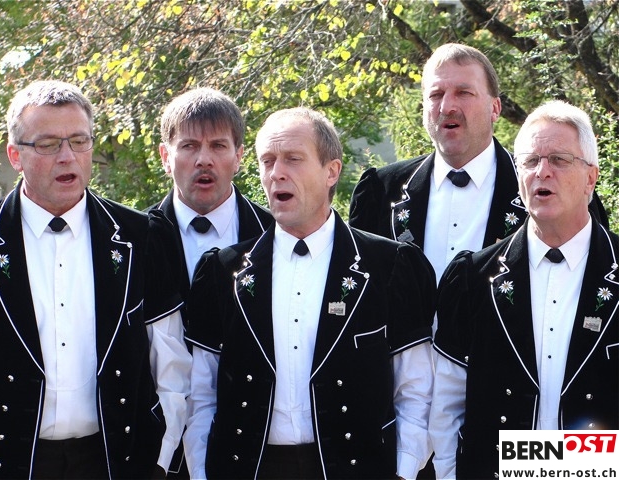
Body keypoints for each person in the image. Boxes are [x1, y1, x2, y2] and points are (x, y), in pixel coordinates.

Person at [183, 107, 436, 479]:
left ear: (331, 171)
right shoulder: (224, 271)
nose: (277, 173)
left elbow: (415, 388)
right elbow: (201, 393)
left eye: (293, 159)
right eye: (267, 161)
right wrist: (201, 472)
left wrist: (404, 469)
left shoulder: (389, 265)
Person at [0, 80, 192, 479]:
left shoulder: (141, 236)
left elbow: (171, 363)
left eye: (79, 141)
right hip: (2, 459)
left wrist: (159, 460)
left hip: (114, 461)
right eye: (48, 144)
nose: (67, 157)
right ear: (15, 155)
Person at [430, 100, 619, 479]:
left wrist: (574, 465)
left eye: (559, 160)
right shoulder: (473, 277)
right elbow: (446, 402)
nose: (542, 172)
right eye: (530, 161)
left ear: (591, 178)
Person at [348, 42, 608, 285]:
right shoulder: (381, 191)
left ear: (495, 108)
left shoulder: (548, 186)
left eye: (464, 93)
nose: (447, 107)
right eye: (436, 95)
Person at [152, 86, 273, 478]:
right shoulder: (135, 240)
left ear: (239, 156)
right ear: (166, 157)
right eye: (189, 146)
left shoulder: (275, 236)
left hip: (251, 446)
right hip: (154, 451)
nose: (204, 159)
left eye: (218, 146)